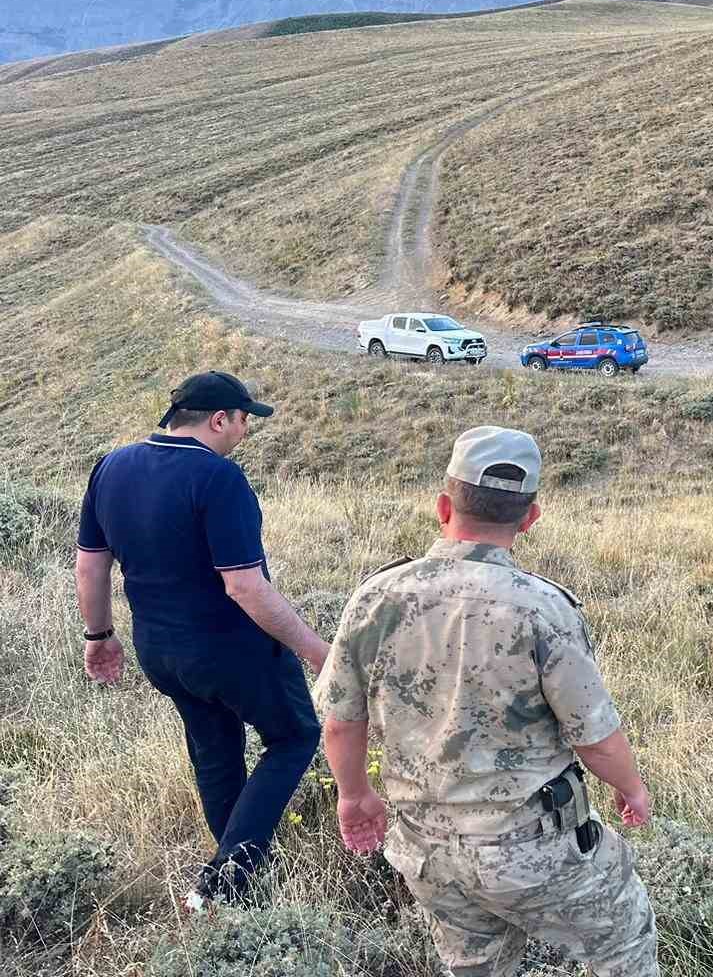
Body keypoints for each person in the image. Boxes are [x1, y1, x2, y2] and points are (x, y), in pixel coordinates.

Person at [317, 425, 657, 977]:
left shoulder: (375, 596)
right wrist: (632, 789)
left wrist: (355, 796)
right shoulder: (543, 608)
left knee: (475, 964)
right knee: (623, 942)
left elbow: (341, 723)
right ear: (529, 518)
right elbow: (593, 738)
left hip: (425, 848)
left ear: (443, 506)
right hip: (531, 848)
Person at [75, 371, 328, 906]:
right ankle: (229, 878)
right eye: (243, 421)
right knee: (293, 738)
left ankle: (234, 883)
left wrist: (99, 635)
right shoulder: (218, 479)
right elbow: (243, 586)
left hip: (160, 653)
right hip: (231, 650)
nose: (243, 433)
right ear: (219, 419)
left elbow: (90, 567)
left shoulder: (110, 467)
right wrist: (316, 651)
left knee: (215, 748)